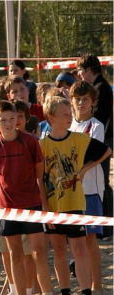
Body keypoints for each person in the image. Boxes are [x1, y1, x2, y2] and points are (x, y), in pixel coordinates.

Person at [0, 100, 63, 295]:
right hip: (7, 208)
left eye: (13, 118)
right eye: (3, 119)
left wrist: (45, 208)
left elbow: (40, 177)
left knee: (39, 253)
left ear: (19, 120)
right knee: (15, 255)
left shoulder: (30, 141)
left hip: (31, 205)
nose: (9, 123)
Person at [40, 96, 111, 295]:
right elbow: (39, 180)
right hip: (53, 206)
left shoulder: (79, 139)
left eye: (70, 113)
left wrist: (83, 171)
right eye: (65, 114)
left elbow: (106, 151)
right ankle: (64, 294)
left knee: (79, 249)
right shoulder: (42, 145)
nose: (70, 117)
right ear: (51, 118)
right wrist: (44, 208)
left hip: (75, 203)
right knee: (59, 250)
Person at [69, 81, 105, 295]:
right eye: (77, 98)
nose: (81, 103)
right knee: (74, 240)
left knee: (90, 238)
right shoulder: (68, 124)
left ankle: (97, 285)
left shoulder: (96, 126)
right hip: (70, 191)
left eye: (85, 99)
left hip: (90, 188)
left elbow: (95, 154)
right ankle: (83, 283)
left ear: (93, 102)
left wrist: (81, 171)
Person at [77, 53, 113, 221]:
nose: (79, 74)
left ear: (89, 70)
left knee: (102, 181)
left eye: (80, 70)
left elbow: (100, 117)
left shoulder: (101, 88)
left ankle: (107, 221)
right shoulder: (99, 86)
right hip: (100, 136)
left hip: (102, 139)